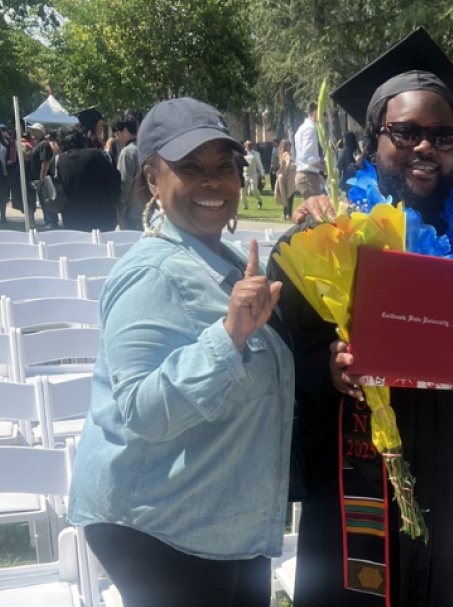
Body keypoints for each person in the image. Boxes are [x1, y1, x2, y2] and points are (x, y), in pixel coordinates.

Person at [268, 27, 453, 607]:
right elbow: (275, 360)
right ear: (372, 143)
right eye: (406, 132)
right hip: (357, 477)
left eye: (442, 135)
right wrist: (329, 369)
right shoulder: (328, 239)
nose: (426, 147)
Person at [68, 97, 294, 607]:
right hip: (161, 527)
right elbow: (141, 410)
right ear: (152, 178)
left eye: (224, 167)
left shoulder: (226, 258)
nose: (212, 182)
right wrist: (227, 337)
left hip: (221, 520)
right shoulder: (151, 274)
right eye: (189, 167)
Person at [47, 125, 121, 231]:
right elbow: (115, 179)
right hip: (102, 216)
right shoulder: (95, 155)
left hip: (73, 218)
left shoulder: (56, 162)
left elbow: (51, 190)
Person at [29, 122, 60, 227]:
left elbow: (45, 162)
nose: (32, 133)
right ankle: (48, 220)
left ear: (40, 132)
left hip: (44, 178)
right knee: (43, 200)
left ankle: (52, 221)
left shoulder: (44, 144)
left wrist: (42, 178)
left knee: (46, 200)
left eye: (34, 131)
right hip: (39, 178)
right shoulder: (38, 144)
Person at [294, 102, 325, 199]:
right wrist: (326, 169)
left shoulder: (302, 128)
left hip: (308, 175)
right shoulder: (310, 129)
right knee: (313, 212)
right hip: (308, 177)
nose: (323, 117)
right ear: (316, 113)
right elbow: (308, 157)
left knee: (312, 211)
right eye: (322, 114)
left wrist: (317, 173)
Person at [114, 111, 141, 229]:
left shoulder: (127, 153)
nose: (117, 137)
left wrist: (120, 212)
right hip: (150, 210)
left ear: (125, 131)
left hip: (132, 213)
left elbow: (124, 185)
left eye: (117, 133)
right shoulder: (147, 148)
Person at [274, 140, 297, 221]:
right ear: (284, 146)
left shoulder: (281, 154)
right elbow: (288, 163)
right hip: (289, 177)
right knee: (290, 196)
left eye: (290, 145)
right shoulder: (286, 154)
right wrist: (287, 173)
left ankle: (285, 213)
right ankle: (289, 214)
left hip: (284, 177)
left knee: (285, 195)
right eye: (288, 145)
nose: (290, 147)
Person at [241, 141, 263, 210]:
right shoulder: (242, 153)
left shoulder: (256, 154)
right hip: (245, 174)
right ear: (245, 146)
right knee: (243, 191)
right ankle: (245, 204)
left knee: (254, 190)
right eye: (248, 145)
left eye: (250, 145)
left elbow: (259, 165)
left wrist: (262, 174)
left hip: (253, 174)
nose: (249, 147)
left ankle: (259, 200)